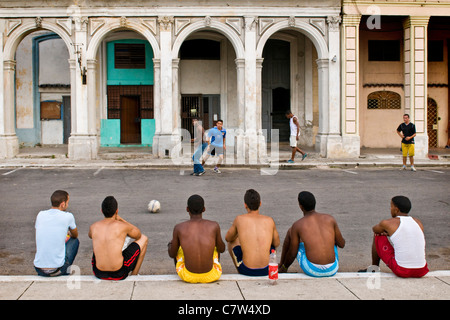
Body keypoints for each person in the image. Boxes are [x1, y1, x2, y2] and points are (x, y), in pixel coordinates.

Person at [278, 191, 345, 277]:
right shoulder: (330, 219)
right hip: (333, 269)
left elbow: (292, 253)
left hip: (313, 269)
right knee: (333, 242)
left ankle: (282, 267)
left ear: (300, 206)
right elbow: (342, 244)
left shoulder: (298, 225)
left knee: (291, 233)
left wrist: (285, 265)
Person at [359, 196, 428, 278]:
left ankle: (374, 268)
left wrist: (386, 232)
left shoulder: (388, 223)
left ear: (396, 209)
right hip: (422, 270)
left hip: (403, 270)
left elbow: (375, 229)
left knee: (378, 235)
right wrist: (390, 233)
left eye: (391, 206)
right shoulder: (418, 222)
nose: (390, 209)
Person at [168, 194, 226, 283]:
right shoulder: (214, 226)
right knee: (215, 246)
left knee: (177, 247)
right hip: (212, 275)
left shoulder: (179, 228)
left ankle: (183, 270)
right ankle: (211, 267)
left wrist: (170, 245)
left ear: (187, 209)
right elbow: (221, 249)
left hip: (187, 276)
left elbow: (172, 254)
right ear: (204, 209)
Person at [89, 196, 148, 280]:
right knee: (144, 238)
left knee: (99, 242)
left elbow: (90, 235)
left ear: (101, 211)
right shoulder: (123, 226)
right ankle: (134, 276)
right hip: (119, 273)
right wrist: (121, 220)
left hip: (98, 272)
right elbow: (138, 235)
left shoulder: (93, 227)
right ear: (117, 211)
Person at [225, 189, 280, 276]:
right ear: (260, 204)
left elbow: (228, 238)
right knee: (271, 244)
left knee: (232, 242)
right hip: (267, 269)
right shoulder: (269, 220)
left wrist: (241, 236)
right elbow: (276, 243)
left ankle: (240, 271)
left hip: (247, 270)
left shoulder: (239, 219)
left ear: (245, 205)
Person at [34, 190, 79, 277]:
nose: (67, 205)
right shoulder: (68, 216)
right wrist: (68, 233)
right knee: (74, 241)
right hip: (57, 269)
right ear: (63, 204)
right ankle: (65, 270)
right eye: (67, 202)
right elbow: (75, 234)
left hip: (39, 269)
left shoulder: (40, 215)